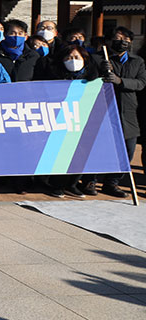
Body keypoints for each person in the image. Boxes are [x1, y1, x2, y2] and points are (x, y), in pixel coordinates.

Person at [88, 27, 146, 198]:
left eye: (126, 39)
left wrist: (120, 81)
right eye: (117, 38)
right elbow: (88, 79)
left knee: (126, 151)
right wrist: (100, 71)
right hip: (103, 109)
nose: (121, 41)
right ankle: (91, 179)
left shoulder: (137, 61)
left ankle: (112, 182)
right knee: (99, 148)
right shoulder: (98, 59)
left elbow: (141, 83)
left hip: (128, 112)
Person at [43, 45, 98, 199]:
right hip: (61, 120)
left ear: (84, 59)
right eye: (68, 58)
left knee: (82, 153)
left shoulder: (93, 78)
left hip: (85, 121)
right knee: (61, 153)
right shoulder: (53, 77)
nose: (72, 61)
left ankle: (72, 184)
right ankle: (57, 185)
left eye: (76, 58)